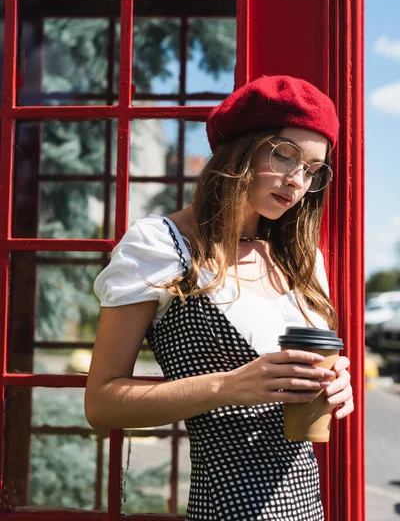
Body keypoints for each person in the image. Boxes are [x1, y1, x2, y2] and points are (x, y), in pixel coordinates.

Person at [85, 75, 354, 520]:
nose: (297, 180)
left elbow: (312, 368)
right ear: (241, 149)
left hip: (307, 507)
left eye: (311, 169)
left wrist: (337, 380)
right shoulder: (160, 247)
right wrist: (229, 386)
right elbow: (101, 404)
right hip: (225, 506)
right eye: (285, 154)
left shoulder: (302, 259)